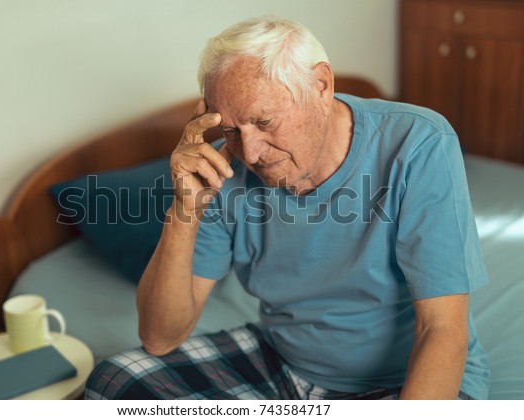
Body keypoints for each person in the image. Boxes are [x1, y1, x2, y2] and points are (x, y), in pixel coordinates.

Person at [85, 16, 489, 400]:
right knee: (115, 381)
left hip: (404, 380)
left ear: (321, 86)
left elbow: (442, 329)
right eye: (230, 130)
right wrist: (184, 210)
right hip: (285, 364)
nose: (250, 152)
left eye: (264, 122)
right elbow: (160, 337)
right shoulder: (223, 171)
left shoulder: (418, 143)